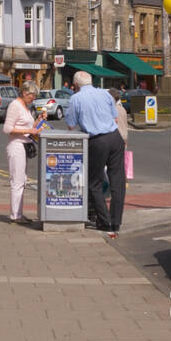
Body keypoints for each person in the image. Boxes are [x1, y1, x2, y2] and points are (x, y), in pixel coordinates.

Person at [66, 71, 125, 238]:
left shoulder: (76, 98)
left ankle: (105, 222)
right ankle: (116, 222)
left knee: (94, 182)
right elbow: (114, 116)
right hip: (115, 137)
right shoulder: (105, 94)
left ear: (76, 85)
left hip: (97, 141)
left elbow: (70, 125)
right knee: (117, 182)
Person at [4, 81, 40, 223]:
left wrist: (38, 121)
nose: (34, 99)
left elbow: (30, 127)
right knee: (17, 181)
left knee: (22, 181)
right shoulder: (15, 105)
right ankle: (15, 215)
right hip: (16, 146)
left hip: (24, 146)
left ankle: (18, 213)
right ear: (25, 93)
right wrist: (29, 130)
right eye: (32, 95)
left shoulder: (24, 106)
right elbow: (7, 129)